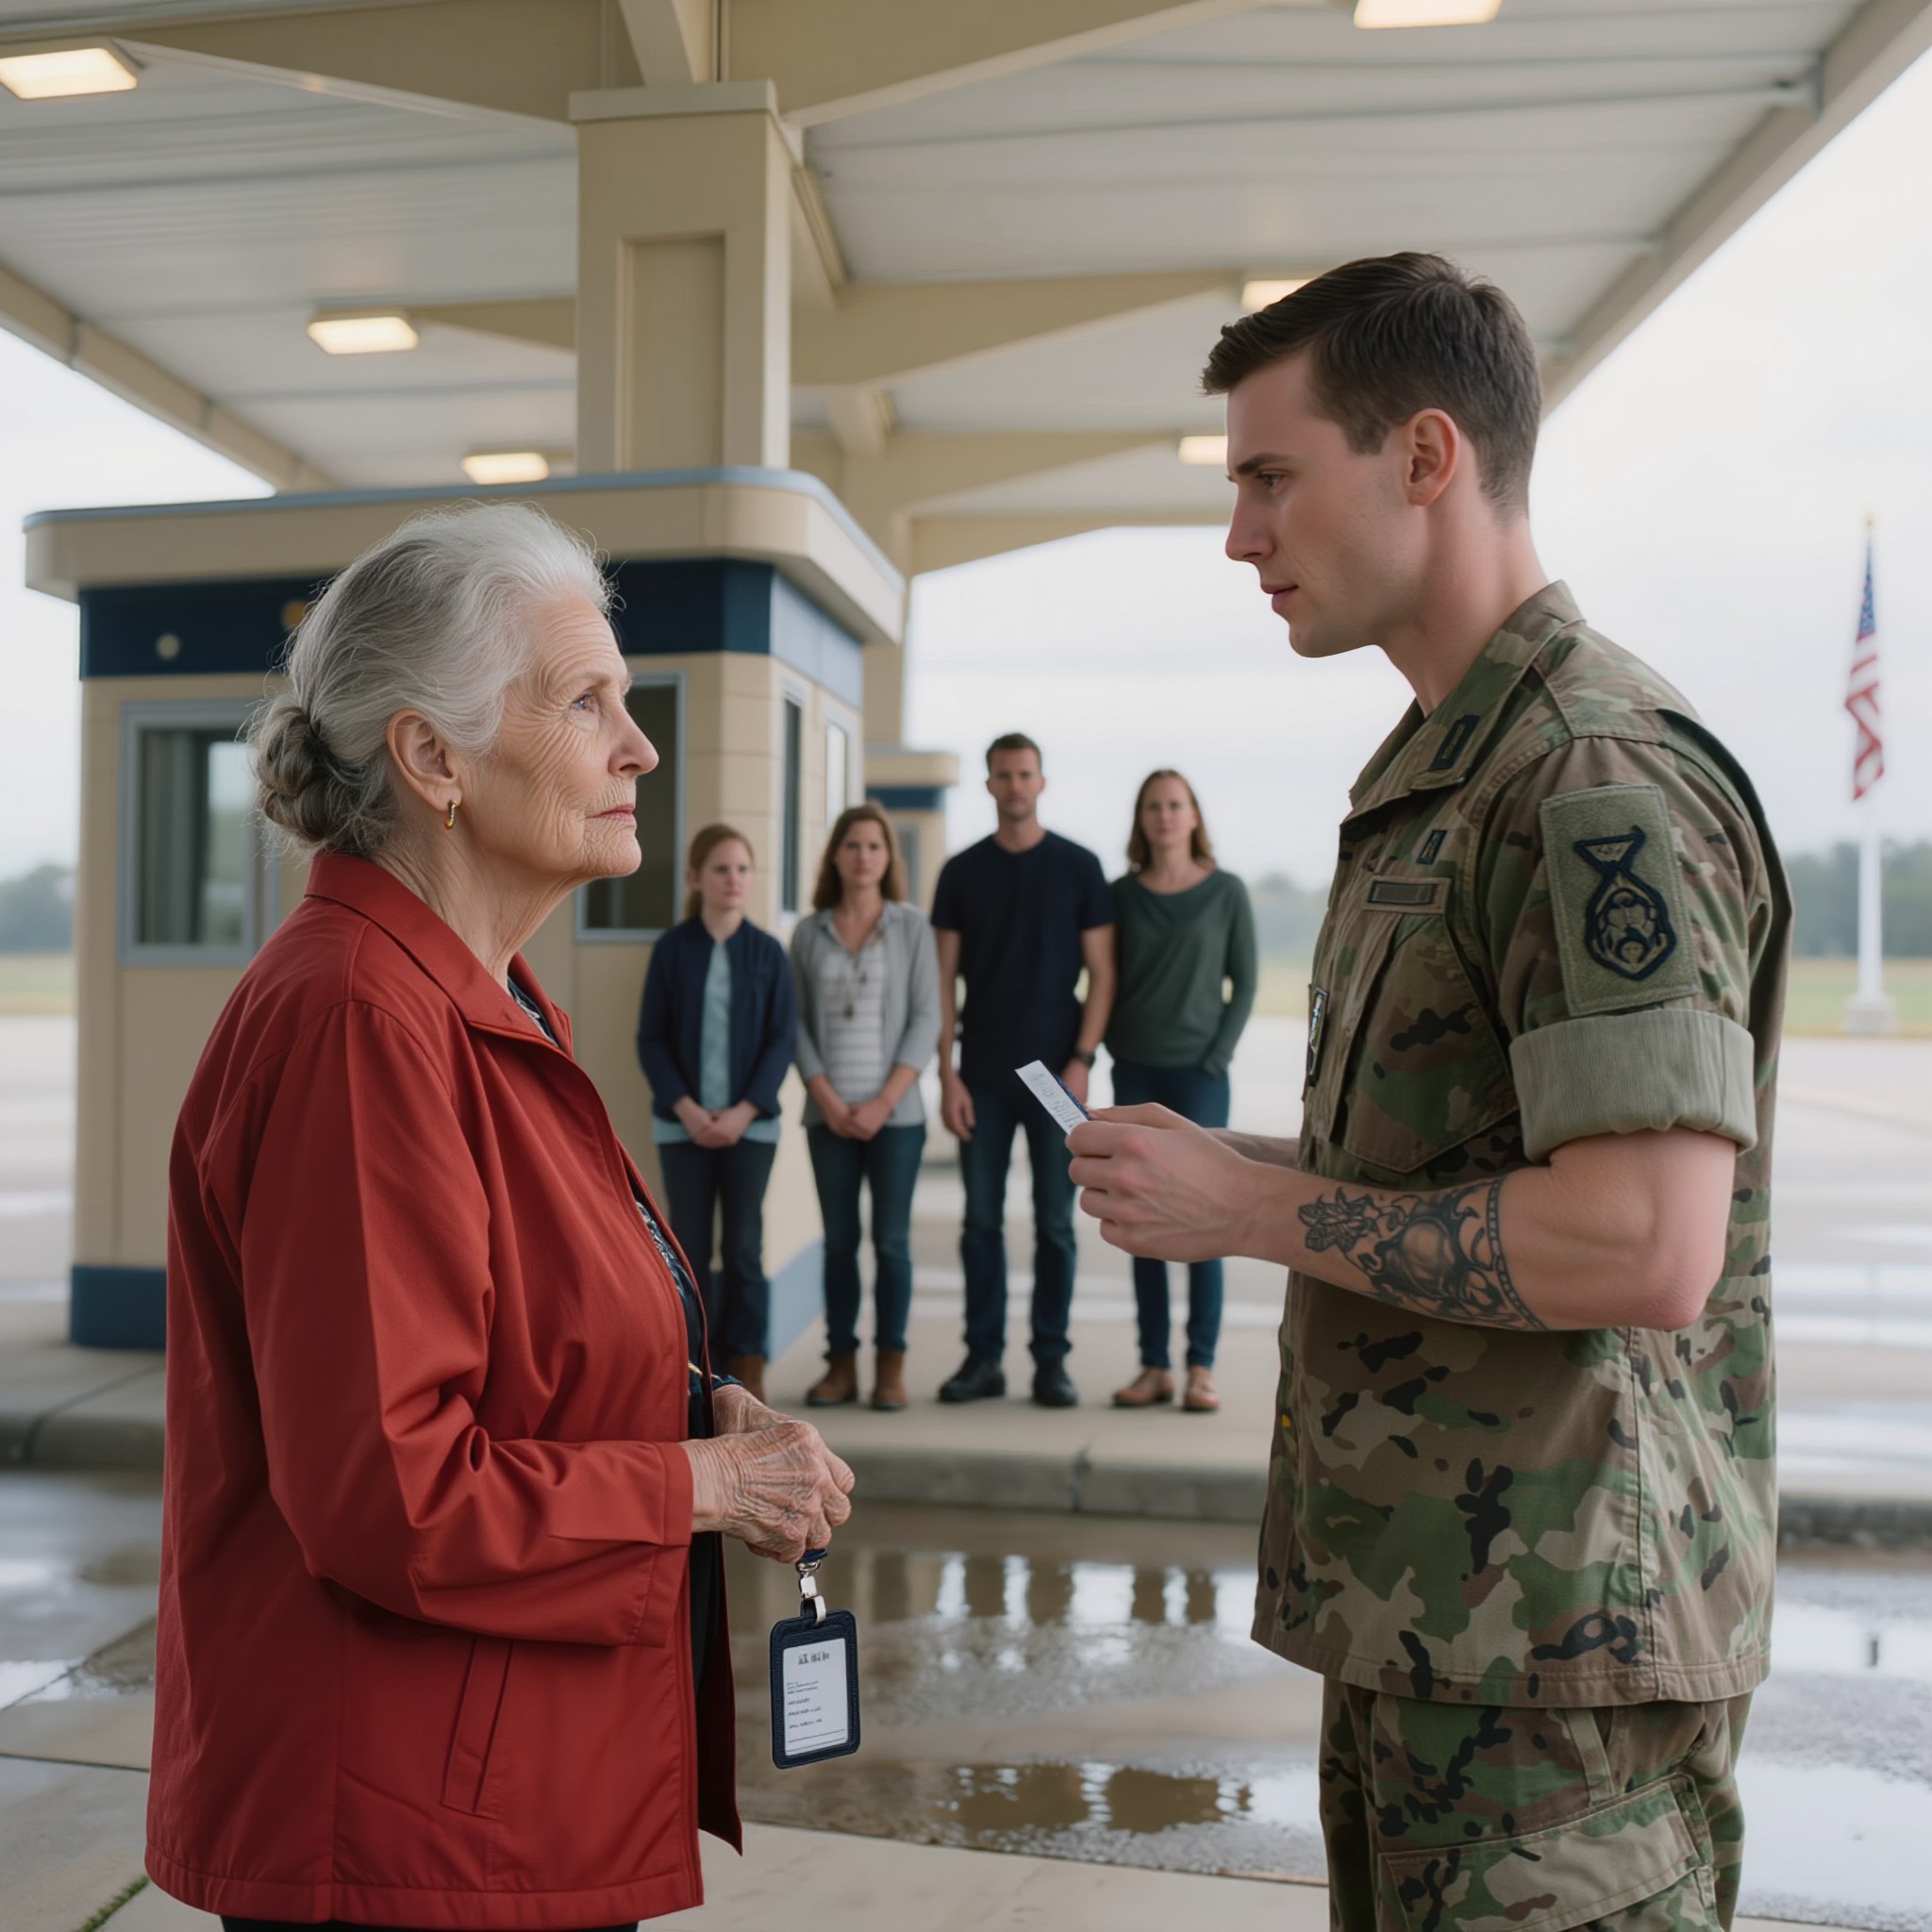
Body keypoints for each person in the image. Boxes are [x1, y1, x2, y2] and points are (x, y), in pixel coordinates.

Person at [1067, 255, 1788, 1930]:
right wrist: (1225, 1165)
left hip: (1564, 1687)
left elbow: (1643, 1242)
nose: (1239, 535)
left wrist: (1256, 1210)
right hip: (1439, 1639)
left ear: (1423, 456)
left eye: (1269, 476)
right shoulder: (1446, 768)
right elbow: (1458, 1160)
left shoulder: (1591, 775)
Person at [152, 502, 853, 1932]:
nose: (638, 746)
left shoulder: (477, 995)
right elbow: (395, 1493)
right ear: (433, 759)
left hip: (487, 1806)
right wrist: (703, 1489)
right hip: (402, 1841)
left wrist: (703, 1407)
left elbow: (528, 1342)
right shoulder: (360, 1022)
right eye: (586, 702)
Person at [930, 733, 1115, 1408]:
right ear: (988, 785)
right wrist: (946, 1074)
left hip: (1057, 1080)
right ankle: (983, 1360)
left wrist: (1083, 1060)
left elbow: (1103, 974)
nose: (1015, 785)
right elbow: (943, 982)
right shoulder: (961, 872)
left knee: (1055, 1225)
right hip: (981, 1074)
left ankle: (1050, 1362)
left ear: (1042, 782)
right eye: (1004, 775)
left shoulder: (1079, 867)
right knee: (981, 1223)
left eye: (1025, 774)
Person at [1106, 770, 1256, 1415]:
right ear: (1141, 819)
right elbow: (1103, 976)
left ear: (1193, 816)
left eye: (1175, 804)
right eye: (1153, 806)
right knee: (1138, 1220)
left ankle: (1201, 1366)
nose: (1164, 815)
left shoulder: (1226, 892)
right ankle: (1154, 1365)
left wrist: (1216, 1058)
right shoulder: (1120, 896)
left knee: (1204, 1218)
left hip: (1200, 1076)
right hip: (1135, 1071)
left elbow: (1244, 984)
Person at [790, 803, 941, 1412]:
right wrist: (826, 1098)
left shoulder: (911, 927)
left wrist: (884, 1101)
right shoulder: (810, 932)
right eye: (852, 845)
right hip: (828, 1117)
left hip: (895, 1119)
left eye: (874, 846)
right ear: (836, 855)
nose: (863, 856)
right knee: (839, 1243)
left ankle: (890, 1368)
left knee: (892, 1243)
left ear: (888, 857)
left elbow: (927, 1017)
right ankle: (840, 1365)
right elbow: (795, 1023)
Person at [638, 824, 797, 1403]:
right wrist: (687, 1109)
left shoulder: (768, 953)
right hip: (682, 1128)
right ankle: (695, 1368)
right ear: (695, 878)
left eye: (742, 870)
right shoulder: (672, 950)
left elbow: (782, 1041)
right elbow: (651, 1039)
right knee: (687, 1247)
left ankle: (748, 1364)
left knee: (745, 1246)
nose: (734, 880)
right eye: (722, 869)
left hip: (751, 1129)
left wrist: (743, 1112)